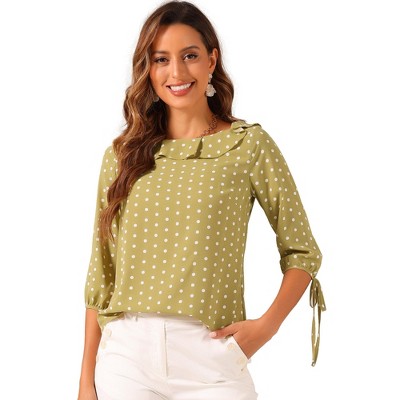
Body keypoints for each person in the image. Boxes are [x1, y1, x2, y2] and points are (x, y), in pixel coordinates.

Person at [78, 1, 326, 399]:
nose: (176, 72)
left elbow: (302, 252)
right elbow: (101, 273)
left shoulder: (248, 146)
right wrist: (85, 381)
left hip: (211, 357)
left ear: (212, 59)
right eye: (161, 59)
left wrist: (266, 327)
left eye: (189, 56)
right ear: (148, 70)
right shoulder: (123, 155)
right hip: (126, 357)